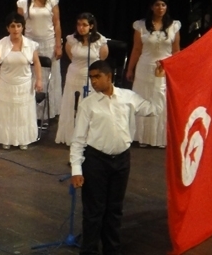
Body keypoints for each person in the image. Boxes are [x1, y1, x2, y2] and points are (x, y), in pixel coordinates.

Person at [71, 60, 166, 255]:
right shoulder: (88, 104)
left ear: (109, 76)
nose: (94, 81)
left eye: (97, 77)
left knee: (114, 209)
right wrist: (76, 170)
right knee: (93, 212)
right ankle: (89, 251)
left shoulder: (128, 97)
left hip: (121, 161)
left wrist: (158, 81)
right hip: (96, 161)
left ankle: (111, 250)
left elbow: (155, 109)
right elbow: (78, 139)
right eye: (91, 78)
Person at [126, 0, 180, 148]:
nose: (160, 8)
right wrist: (130, 69)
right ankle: (142, 137)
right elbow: (137, 49)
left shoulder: (173, 26)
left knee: (161, 99)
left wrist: (176, 70)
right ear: (151, 7)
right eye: (157, 5)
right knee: (143, 98)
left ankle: (160, 138)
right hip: (144, 67)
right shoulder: (141, 25)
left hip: (164, 69)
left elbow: (176, 51)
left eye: (163, 5)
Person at [0, 12, 42, 150]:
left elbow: (36, 63)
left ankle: (23, 139)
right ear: (7, 28)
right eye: (12, 26)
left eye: (18, 26)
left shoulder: (30, 45)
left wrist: (39, 80)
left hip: (24, 86)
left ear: (22, 27)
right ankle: (6, 138)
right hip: (6, 85)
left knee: (22, 113)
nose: (16, 29)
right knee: (7, 112)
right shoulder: (1, 45)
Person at [16, 0, 62, 124]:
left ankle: (49, 112)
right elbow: (19, 24)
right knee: (33, 76)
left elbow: (56, 23)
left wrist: (58, 45)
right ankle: (32, 112)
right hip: (31, 43)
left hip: (48, 43)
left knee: (50, 77)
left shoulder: (52, 0)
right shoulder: (23, 2)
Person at [55, 13, 108, 145]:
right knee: (72, 104)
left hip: (91, 79)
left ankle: (88, 138)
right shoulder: (72, 39)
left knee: (88, 106)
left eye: (84, 25)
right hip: (74, 76)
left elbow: (102, 58)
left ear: (91, 26)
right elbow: (71, 56)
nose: (81, 28)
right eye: (79, 24)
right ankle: (71, 136)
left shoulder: (99, 41)